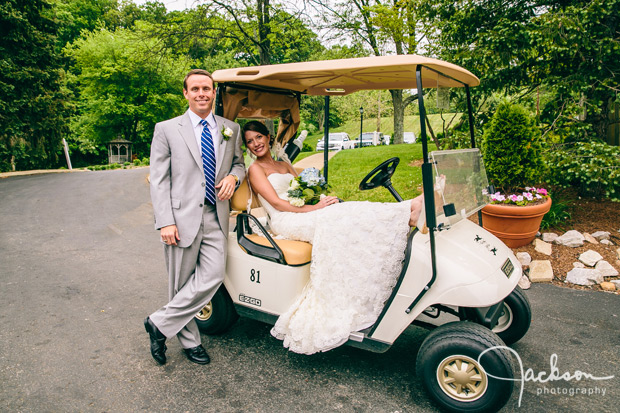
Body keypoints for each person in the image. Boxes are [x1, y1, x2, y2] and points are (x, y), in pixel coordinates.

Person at [242, 120, 423, 354]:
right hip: (285, 219)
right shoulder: (255, 169)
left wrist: (321, 200)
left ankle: (407, 212)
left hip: (302, 210)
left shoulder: (284, 165)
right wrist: (315, 209)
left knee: (344, 210)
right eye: (250, 141)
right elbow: (277, 203)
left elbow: (304, 192)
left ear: (268, 137)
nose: (256, 143)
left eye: (259, 137)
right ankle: (409, 212)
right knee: (338, 216)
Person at [145, 69, 245, 365]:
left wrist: (233, 178)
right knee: (181, 283)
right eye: (196, 88)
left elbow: (239, 164)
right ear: (186, 94)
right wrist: (165, 221)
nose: (202, 93)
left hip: (217, 215)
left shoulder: (231, 128)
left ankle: (158, 324)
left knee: (213, 277)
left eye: (207, 88)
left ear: (214, 93)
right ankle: (190, 343)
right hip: (180, 218)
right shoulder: (166, 129)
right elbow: (159, 179)